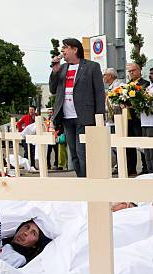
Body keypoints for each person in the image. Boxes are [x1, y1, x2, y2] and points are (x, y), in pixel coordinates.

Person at [49, 38, 106, 178]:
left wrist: (99, 117)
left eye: (66, 47)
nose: (62, 50)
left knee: (83, 152)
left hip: (84, 117)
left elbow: (99, 92)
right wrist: (55, 71)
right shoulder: (62, 68)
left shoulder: (92, 66)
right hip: (67, 117)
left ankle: (88, 180)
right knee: (73, 153)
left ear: (75, 49)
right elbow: (52, 90)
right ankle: (81, 179)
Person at [126, 63, 150, 175]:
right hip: (128, 118)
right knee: (129, 144)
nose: (131, 73)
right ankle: (131, 168)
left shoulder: (145, 83)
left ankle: (146, 167)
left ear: (139, 70)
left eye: (133, 70)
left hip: (139, 118)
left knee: (141, 143)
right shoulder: (127, 85)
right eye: (129, 71)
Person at [103, 68, 123, 172]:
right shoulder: (110, 87)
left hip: (116, 120)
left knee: (116, 143)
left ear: (110, 76)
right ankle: (115, 164)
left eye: (105, 75)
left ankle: (120, 165)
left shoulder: (118, 86)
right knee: (111, 144)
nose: (104, 77)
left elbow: (117, 103)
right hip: (110, 120)